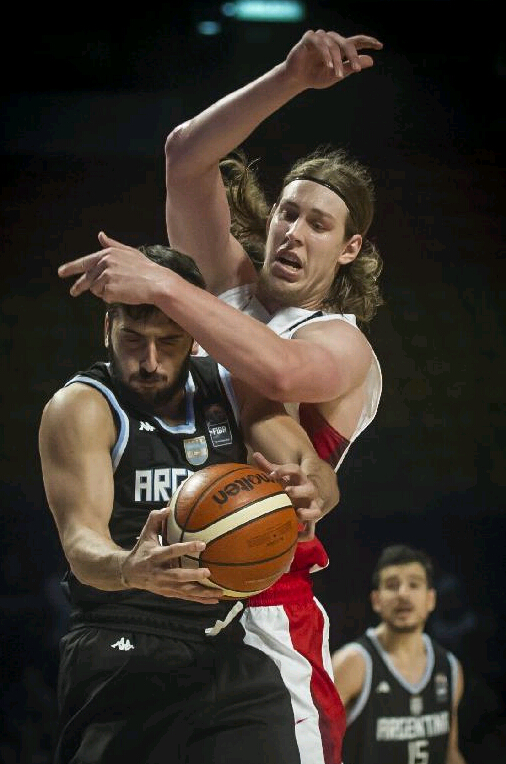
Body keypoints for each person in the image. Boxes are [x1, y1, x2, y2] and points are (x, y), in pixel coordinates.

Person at [56, 27, 384, 764]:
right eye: (287, 213)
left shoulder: (341, 342)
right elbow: (184, 158)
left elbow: (278, 376)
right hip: (163, 598)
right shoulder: (229, 289)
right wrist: (290, 78)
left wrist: (165, 283)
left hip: (267, 611)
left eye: (319, 223)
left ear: (350, 249)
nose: (293, 231)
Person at [39, 244, 340, 764]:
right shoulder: (83, 406)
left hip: (222, 643)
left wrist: (311, 490)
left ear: (194, 339)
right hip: (122, 642)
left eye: (169, 342)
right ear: (106, 328)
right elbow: (80, 544)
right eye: (132, 339)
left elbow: (315, 471)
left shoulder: (230, 386)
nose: (149, 361)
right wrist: (130, 568)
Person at [331, 544, 467, 764]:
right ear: (376, 600)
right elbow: (314, 746)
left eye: (414, 584)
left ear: (430, 599)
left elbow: (449, 753)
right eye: (392, 585)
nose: (403, 594)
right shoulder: (352, 663)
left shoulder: (449, 668)